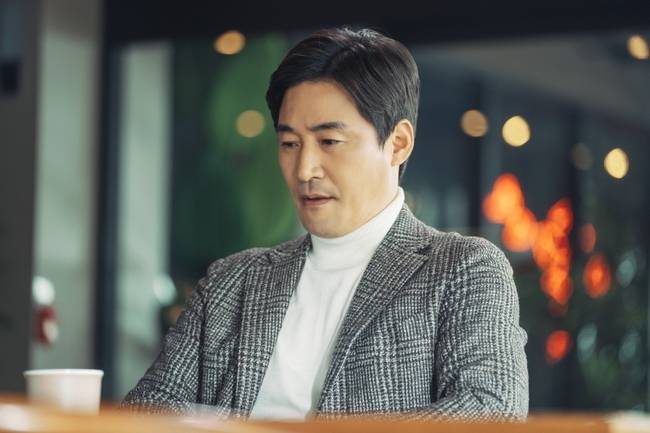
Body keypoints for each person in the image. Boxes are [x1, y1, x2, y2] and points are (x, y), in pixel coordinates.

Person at [123, 27, 529, 421]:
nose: (304, 169)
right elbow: (144, 412)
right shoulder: (232, 281)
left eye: (329, 142)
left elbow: (491, 410)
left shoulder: (463, 269)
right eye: (289, 144)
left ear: (398, 143)